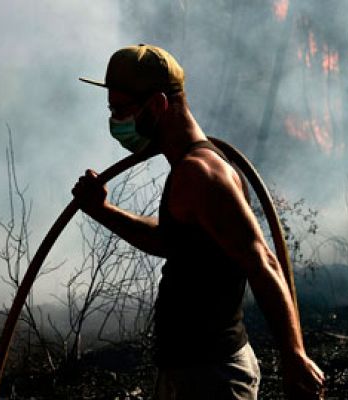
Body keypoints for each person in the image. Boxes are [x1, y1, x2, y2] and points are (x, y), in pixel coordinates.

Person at [72, 44, 325, 399]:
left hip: (212, 378)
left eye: (121, 110)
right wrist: (103, 211)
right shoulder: (184, 170)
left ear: (158, 104)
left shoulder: (200, 174)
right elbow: (168, 242)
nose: (116, 122)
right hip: (187, 372)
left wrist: (294, 356)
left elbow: (262, 261)